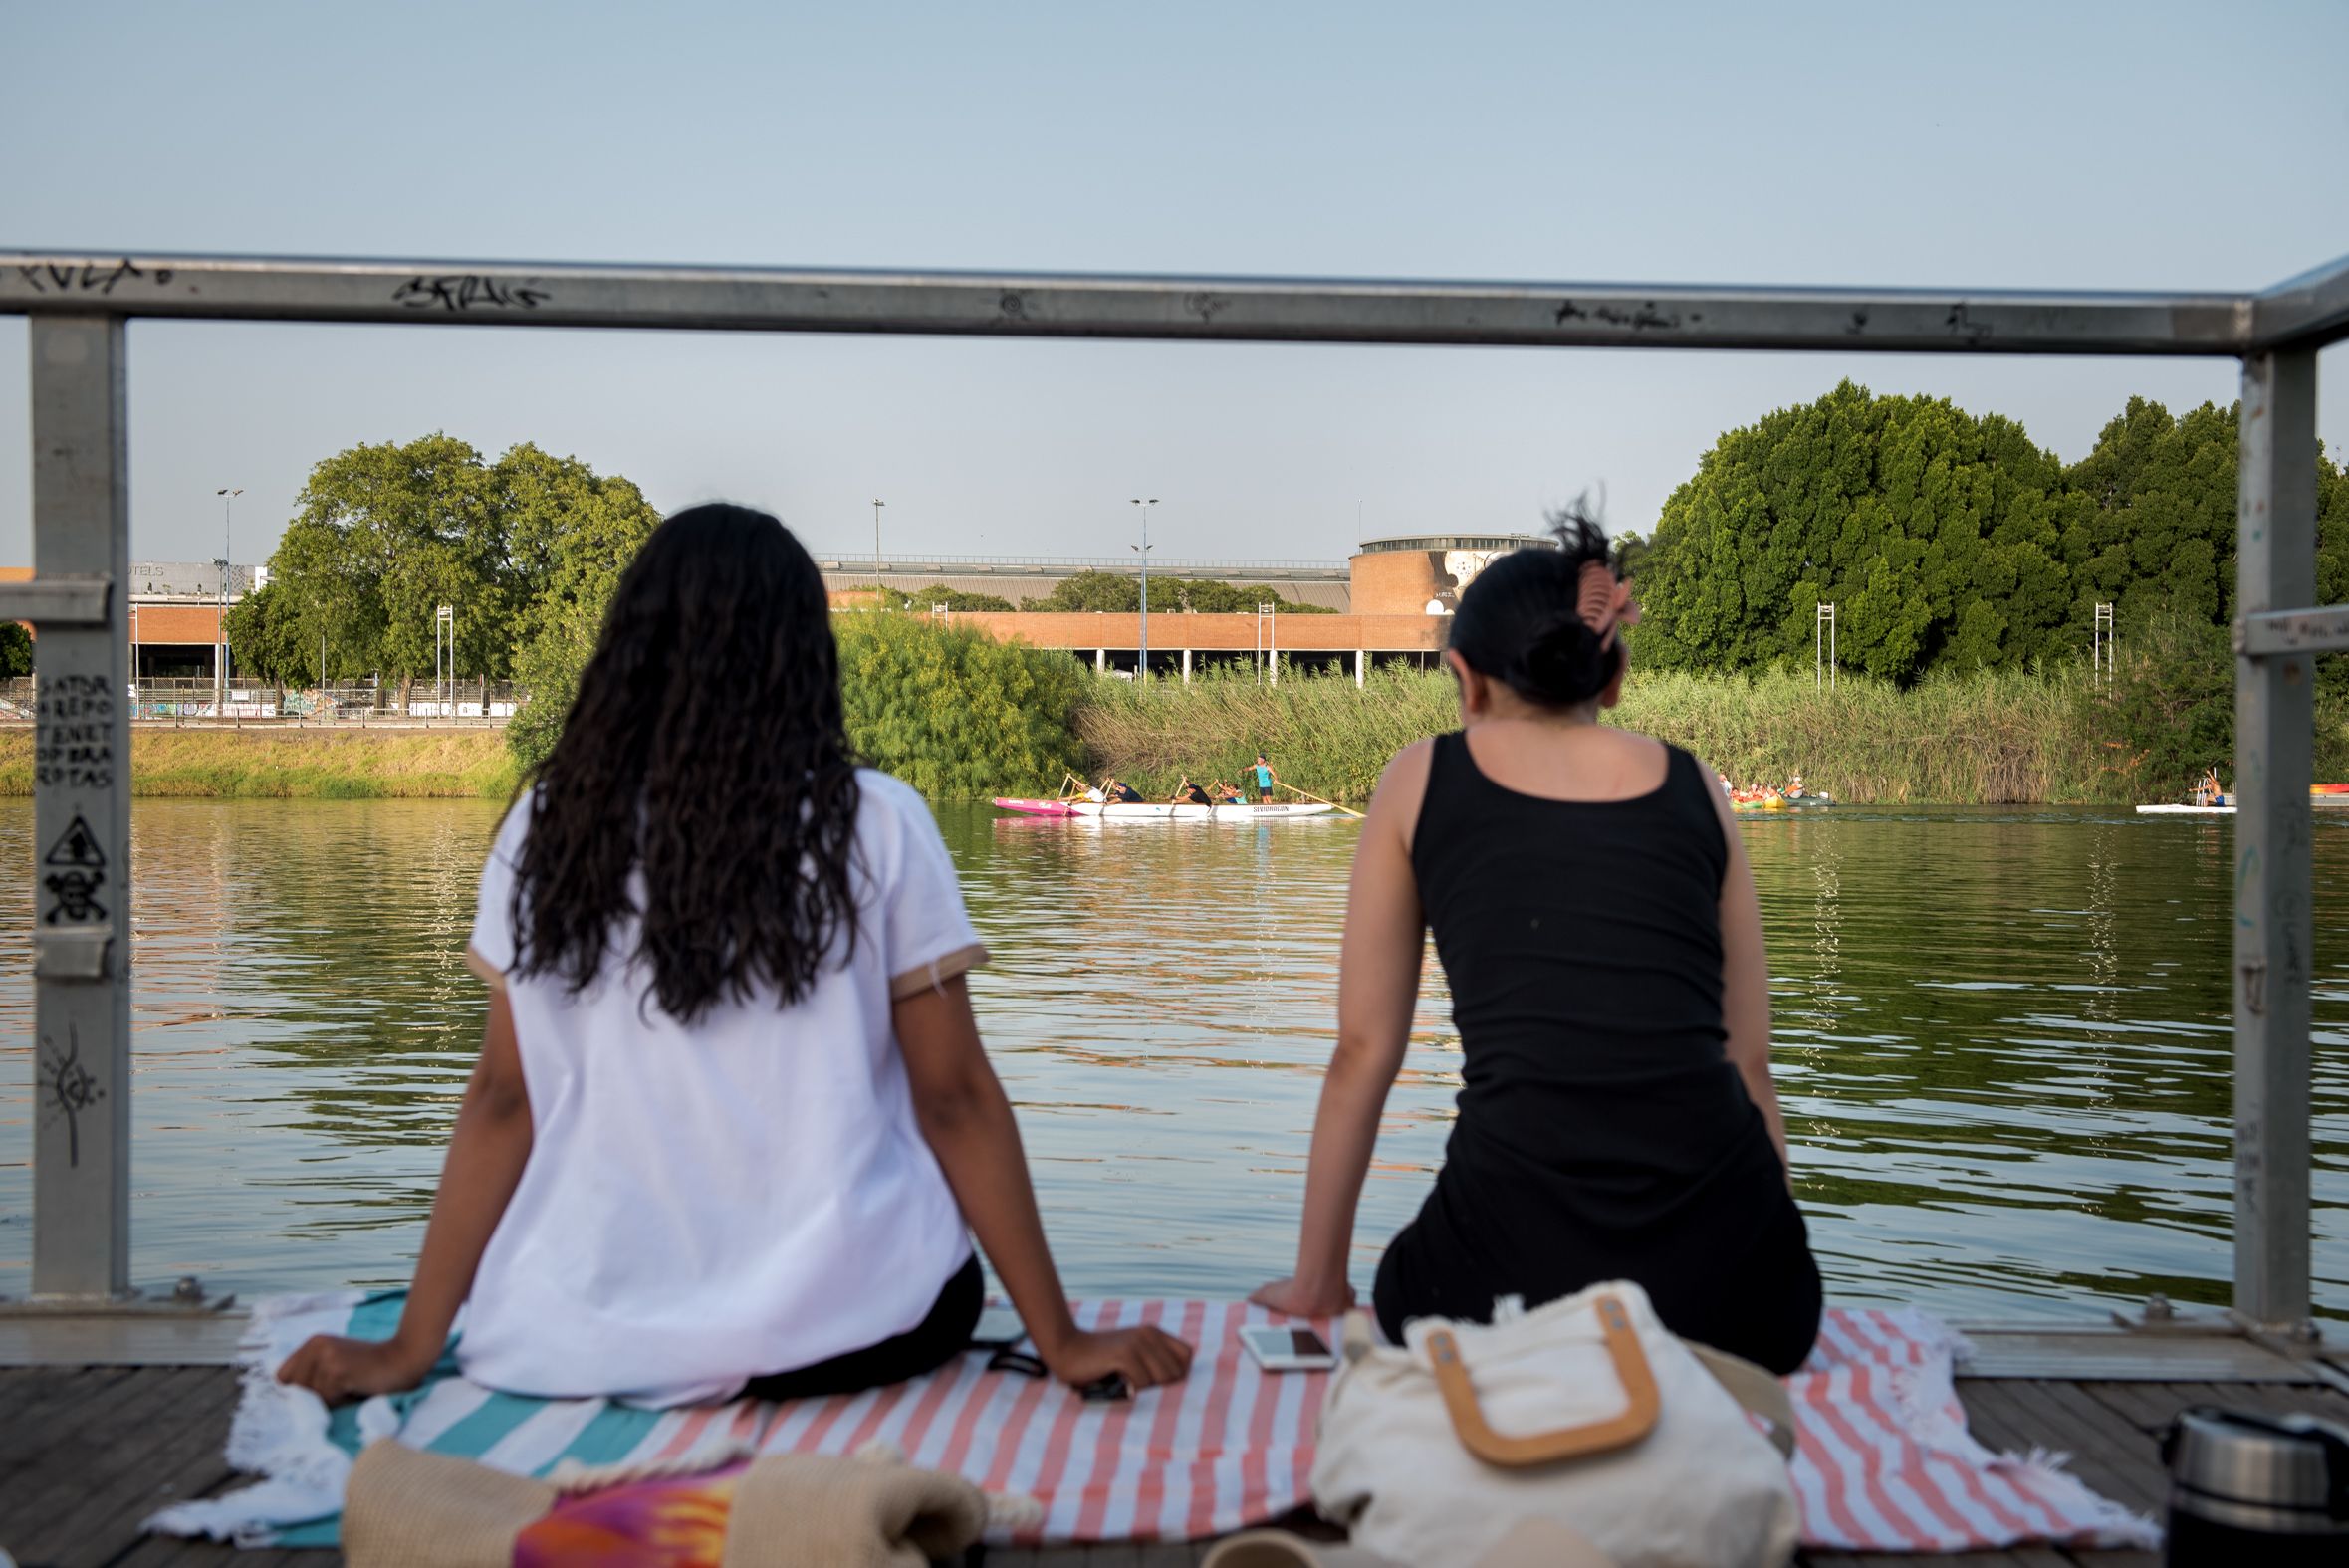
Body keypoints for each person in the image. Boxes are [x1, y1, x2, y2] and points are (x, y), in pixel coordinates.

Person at [279, 505, 1191, 1408]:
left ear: (627, 650)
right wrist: (1060, 1340)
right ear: (800, 657)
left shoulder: (545, 828)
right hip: (855, 1322)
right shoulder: (874, 823)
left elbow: (500, 1099)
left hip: (581, 1333)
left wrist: (411, 1345)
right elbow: (952, 1099)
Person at [1251, 508, 1820, 1375]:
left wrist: (1317, 1283)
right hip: (1740, 1305)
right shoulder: (1696, 786)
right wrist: (1769, 1257)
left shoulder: (1418, 779)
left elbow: (1364, 1050)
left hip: (1495, 1284)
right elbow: (1749, 1063)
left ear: (1465, 680)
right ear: (1613, 678)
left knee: (1412, 1282)